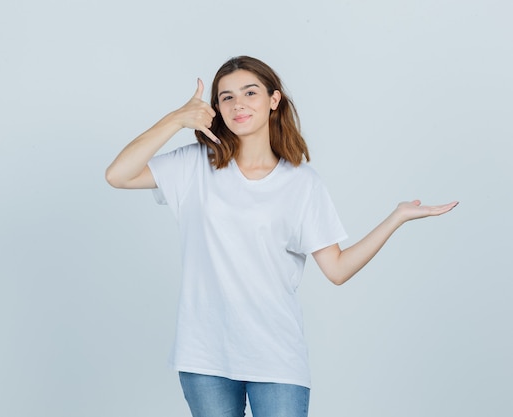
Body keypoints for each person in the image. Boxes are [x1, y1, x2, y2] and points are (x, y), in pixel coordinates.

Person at [105, 56, 457, 417]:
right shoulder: (194, 165)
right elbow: (118, 175)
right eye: (226, 97)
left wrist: (396, 217)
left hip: (275, 356)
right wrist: (175, 119)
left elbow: (336, 270)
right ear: (216, 109)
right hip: (205, 356)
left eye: (249, 92)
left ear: (274, 100)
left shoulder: (302, 184)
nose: (237, 103)